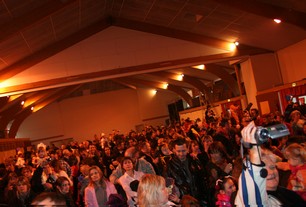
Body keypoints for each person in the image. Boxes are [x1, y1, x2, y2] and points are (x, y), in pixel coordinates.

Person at [234, 121, 306, 206]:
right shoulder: (257, 199)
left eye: (272, 167)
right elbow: (255, 200)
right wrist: (254, 151)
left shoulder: (288, 193)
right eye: (263, 171)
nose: (271, 173)